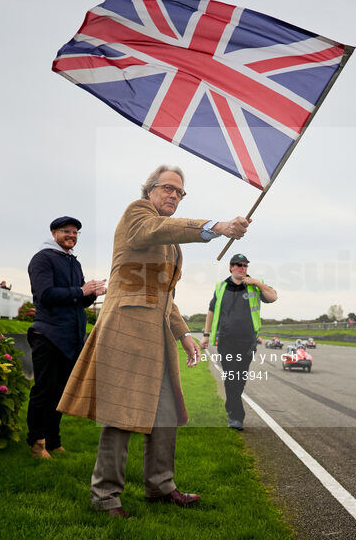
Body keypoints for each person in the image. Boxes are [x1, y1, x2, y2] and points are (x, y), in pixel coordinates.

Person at [57, 164, 250, 519]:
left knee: (165, 414)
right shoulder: (138, 214)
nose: (174, 195)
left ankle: (160, 486)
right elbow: (153, 230)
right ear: (150, 190)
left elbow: (164, 295)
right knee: (121, 414)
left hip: (156, 336)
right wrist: (215, 227)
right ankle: (105, 497)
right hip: (126, 331)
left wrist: (184, 334)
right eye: (168, 188)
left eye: (179, 192)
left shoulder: (170, 241)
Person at [26, 216, 106, 459]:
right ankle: (36, 442)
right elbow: (46, 294)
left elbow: (78, 300)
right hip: (48, 335)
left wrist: (93, 293)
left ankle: (53, 440)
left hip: (70, 339)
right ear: (54, 233)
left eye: (75, 232)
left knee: (61, 393)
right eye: (66, 231)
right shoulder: (42, 258)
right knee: (44, 391)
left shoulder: (73, 262)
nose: (71, 235)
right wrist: (81, 290)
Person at [200, 253, 277, 430]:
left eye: (245, 265)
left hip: (247, 342)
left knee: (240, 378)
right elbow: (211, 312)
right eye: (238, 265)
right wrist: (206, 335)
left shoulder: (255, 286)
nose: (242, 268)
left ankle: (232, 409)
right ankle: (236, 416)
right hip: (226, 341)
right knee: (230, 376)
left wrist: (256, 282)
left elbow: (273, 297)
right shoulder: (220, 287)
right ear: (231, 267)